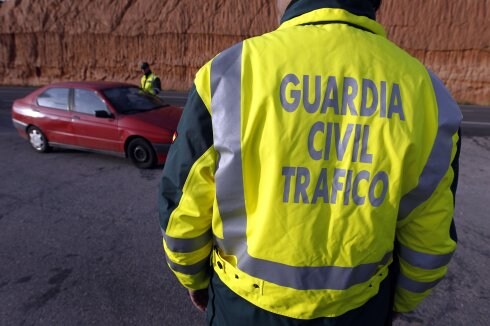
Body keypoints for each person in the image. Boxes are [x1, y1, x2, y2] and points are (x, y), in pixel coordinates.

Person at [158, 0, 462, 324]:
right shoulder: (427, 94)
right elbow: (429, 240)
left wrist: (194, 278)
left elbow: (183, 212)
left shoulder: (228, 74)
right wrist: (396, 303)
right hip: (360, 310)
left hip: (243, 308)